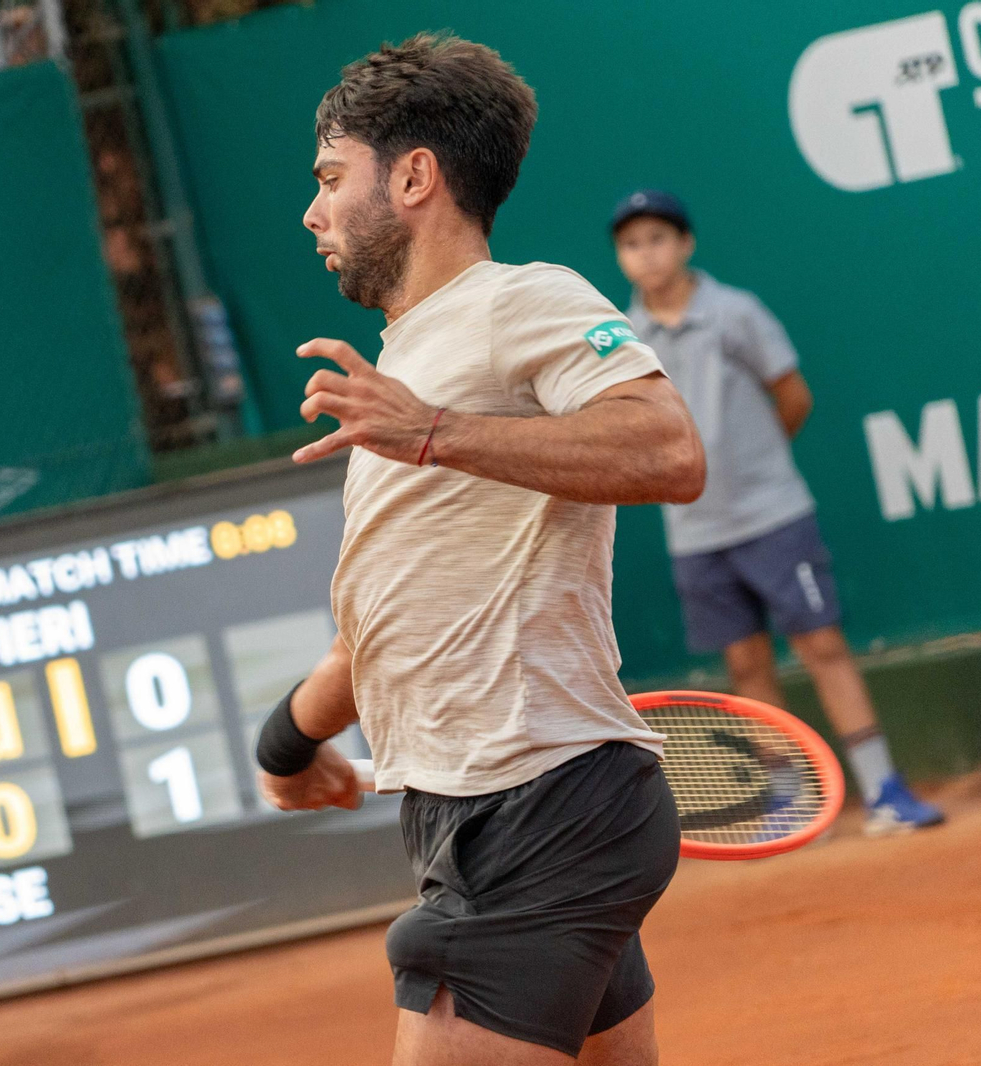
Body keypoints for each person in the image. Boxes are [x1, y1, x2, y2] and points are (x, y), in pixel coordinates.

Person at [255, 34, 706, 1066]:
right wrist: (286, 744)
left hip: (535, 807)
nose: (312, 212)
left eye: (330, 177)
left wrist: (431, 432)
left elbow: (669, 449)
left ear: (413, 176)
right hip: (491, 812)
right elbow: (386, 628)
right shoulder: (406, 366)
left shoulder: (518, 302)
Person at [611, 190, 944, 836]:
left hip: (773, 516)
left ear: (686, 244)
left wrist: (754, 467)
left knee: (822, 643)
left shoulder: (736, 313)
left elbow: (793, 396)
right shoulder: (622, 339)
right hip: (695, 534)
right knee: (745, 667)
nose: (645, 254)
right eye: (630, 244)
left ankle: (883, 788)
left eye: (657, 238)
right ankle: (788, 801)